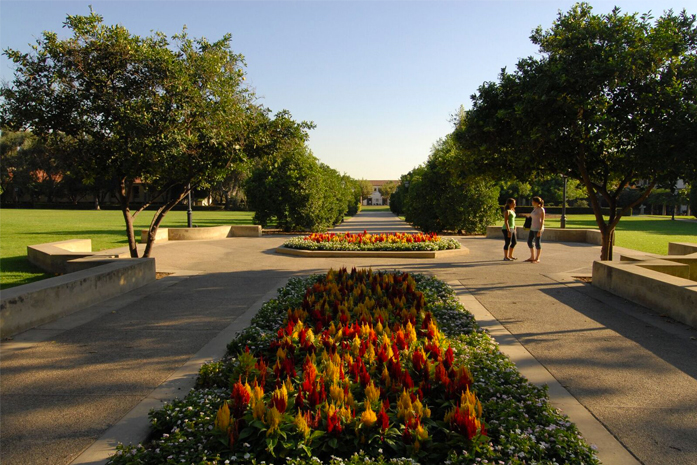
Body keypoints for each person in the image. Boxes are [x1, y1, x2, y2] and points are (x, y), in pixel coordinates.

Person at [526, 196, 545, 263]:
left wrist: (540, 229)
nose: (532, 202)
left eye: (533, 201)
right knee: (529, 241)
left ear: (536, 202)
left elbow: (542, 220)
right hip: (532, 227)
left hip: (538, 228)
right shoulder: (534, 209)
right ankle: (532, 256)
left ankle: (537, 258)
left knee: (537, 243)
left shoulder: (541, 209)